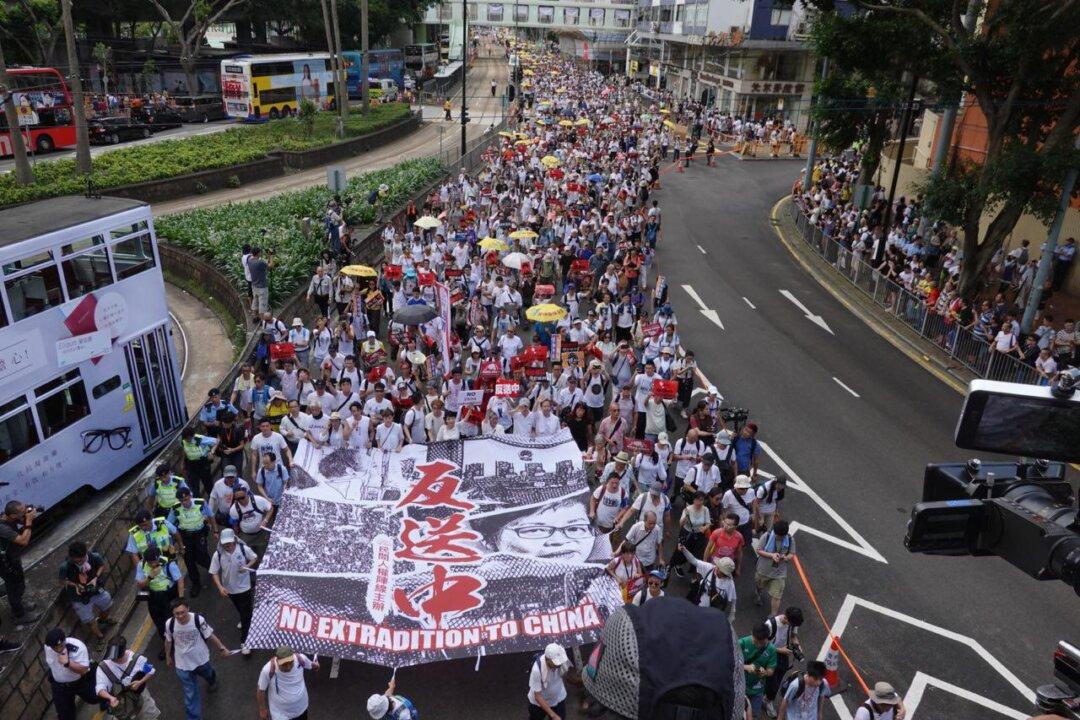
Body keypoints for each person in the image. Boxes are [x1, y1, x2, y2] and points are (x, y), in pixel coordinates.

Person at [165, 598, 230, 720]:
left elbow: (209, 635)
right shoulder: (170, 624)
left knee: (209, 673)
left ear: (188, 609)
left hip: (200, 659)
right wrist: (168, 656)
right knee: (190, 694)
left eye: (182, 612)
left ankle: (212, 680)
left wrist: (222, 648)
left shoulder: (197, 620)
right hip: (182, 663)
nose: (180, 616)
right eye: (176, 613)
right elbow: (168, 640)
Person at [210, 528, 259, 657]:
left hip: (245, 587)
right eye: (225, 543)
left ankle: (245, 642)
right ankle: (245, 620)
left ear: (234, 540)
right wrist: (220, 587)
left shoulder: (243, 549)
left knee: (246, 613)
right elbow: (214, 572)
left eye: (230, 543)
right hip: (230, 590)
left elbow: (254, 557)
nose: (227, 545)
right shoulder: (218, 554)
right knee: (241, 609)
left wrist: (247, 566)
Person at [57, 541, 114, 642]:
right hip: (78, 597)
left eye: (81, 560)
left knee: (108, 604)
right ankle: (100, 637)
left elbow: (101, 565)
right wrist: (75, 585)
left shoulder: (93, 557)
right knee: (90, 620)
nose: (79, 563)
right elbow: (61, 581)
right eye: (76, 561)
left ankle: (103, 620)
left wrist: (95, 578)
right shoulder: (65, 567)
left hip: (95, 590)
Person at [0, 500, 42, 635]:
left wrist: (27, 515)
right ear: (12, 515)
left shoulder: (8, 517)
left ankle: (19, 605)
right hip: (5, 562)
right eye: (22, 513)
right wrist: (28, 521)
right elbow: (24, 541)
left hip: (11, 558)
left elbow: (20, 523)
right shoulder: (3, 528)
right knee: (13, 586)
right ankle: (19, 615)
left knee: (19, 583)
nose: (25, 514)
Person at [95, 635, 161, 719]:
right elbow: (100, 688)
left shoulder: (138, 659)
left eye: (117, 658)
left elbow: (151, 671)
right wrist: (110, 698)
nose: (113, 660)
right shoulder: (104, 667)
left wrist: (140, 682)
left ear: (124, 651)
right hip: (122, 703)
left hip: (141, 697)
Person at [167, 487, 216, 598]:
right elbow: (168, 524)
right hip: (185, 536)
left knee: (202, 556)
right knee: (188, 560)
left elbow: (211, 515)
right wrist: (172, 542)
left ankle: (213, 571)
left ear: (190, 496)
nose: (185, 502)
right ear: (179, 501)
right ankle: (196, 583)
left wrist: (216, 530)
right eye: (182, 500)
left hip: (199, 534)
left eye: (187, 499)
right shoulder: (175, 509)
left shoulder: (200, 503)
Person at [43, 627, 100, 720]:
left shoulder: (78, 648)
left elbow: (83, 670)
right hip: (60, 686)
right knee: (65, 715)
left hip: (80, 681)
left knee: (96, 697)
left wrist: (68, 663)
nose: (58, 650)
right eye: (55, 648)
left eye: (60, 646)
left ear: (64, 641)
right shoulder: (48, 647)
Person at [136, 546, 184, 653]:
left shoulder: (169, 564)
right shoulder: (141, 565)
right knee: (159, 622)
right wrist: (150, 577)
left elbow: (179, 580)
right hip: (153, 597)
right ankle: (167, 644)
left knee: (172, 621)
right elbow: (140, 585)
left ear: (159, 557)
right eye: (149, 562)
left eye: (154, 561)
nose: (152, 564)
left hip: (168, 596)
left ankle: (180, 643)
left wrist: (181, 600)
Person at [257, 646, 319, 720]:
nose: (288, 667)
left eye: (290, 663)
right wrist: (262, 709)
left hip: (301, 708)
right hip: (280, 714)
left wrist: (316, 665)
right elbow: (260, 690)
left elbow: (314, 667)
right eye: (284, 664)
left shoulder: (300, 659)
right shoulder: (268, 669)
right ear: (277, 661)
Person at [764, 606, 805, 711]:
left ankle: (768, 699)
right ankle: (764, 699)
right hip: (770, 654)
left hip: (783, 654)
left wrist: (797, 645)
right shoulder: (770, 624)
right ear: (786, 618)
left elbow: (793, 636)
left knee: (777, 681)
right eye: (791, 624)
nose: (791, 626)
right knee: (769, 680)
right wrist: (779, 650)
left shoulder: (792, 622)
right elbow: (762, 643)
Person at [754, 520, 795, 614]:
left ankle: (773, 615)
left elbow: (792, 553)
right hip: (763, 570)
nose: (778, 537)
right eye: (777, 535)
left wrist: (786, 557)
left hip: (779, 573)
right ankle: (758, 595)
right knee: (760, 586)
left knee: (777, 596)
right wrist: (771, 555)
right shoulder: (766, 536)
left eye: (781, 536)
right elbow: (759, 550)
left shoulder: (790, 539)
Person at [740, 623, 778, 719]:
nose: (758, 645)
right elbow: (730, 662)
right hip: (740, 686)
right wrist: (745, 667)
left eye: (762, 643)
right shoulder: (742, 643)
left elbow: (771, 670)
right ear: (752, 634)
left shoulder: (771, 649)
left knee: (754, 715)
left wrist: (765, 672)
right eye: (756, 642)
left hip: (757, 691)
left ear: (767, 638)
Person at [527, 643, 570, 720]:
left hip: (558, 698)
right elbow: (538, 696)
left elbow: (565, 674)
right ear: (547, 660)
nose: (559, 664)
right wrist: (553, 715)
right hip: (539, 703)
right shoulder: (537, 670)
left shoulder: (562, 659)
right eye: (556, 662)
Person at [229, 485, 274, 556]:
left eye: (242, 497)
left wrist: (265, 521)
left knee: (265, 553)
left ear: (247, 494)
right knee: (249, 556)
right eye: (238, 499)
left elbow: (271, 508)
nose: (241, 500)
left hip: (261, 534)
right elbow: (235, 525)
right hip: (246, 536)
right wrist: (236, 537)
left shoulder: (258, 500)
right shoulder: (233, 509)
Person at [248, 247, 275, 316]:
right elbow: (271, 266)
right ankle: (263, 322)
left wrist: (268, 256)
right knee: (262, 306)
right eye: (260, 252)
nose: (261, 253)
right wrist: (271, 255)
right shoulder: (260, 262)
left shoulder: (250, 260)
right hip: (262, 288)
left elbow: (264, 264)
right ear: (258, 253)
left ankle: (255, 317)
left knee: (255, 301)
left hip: (254, 286)